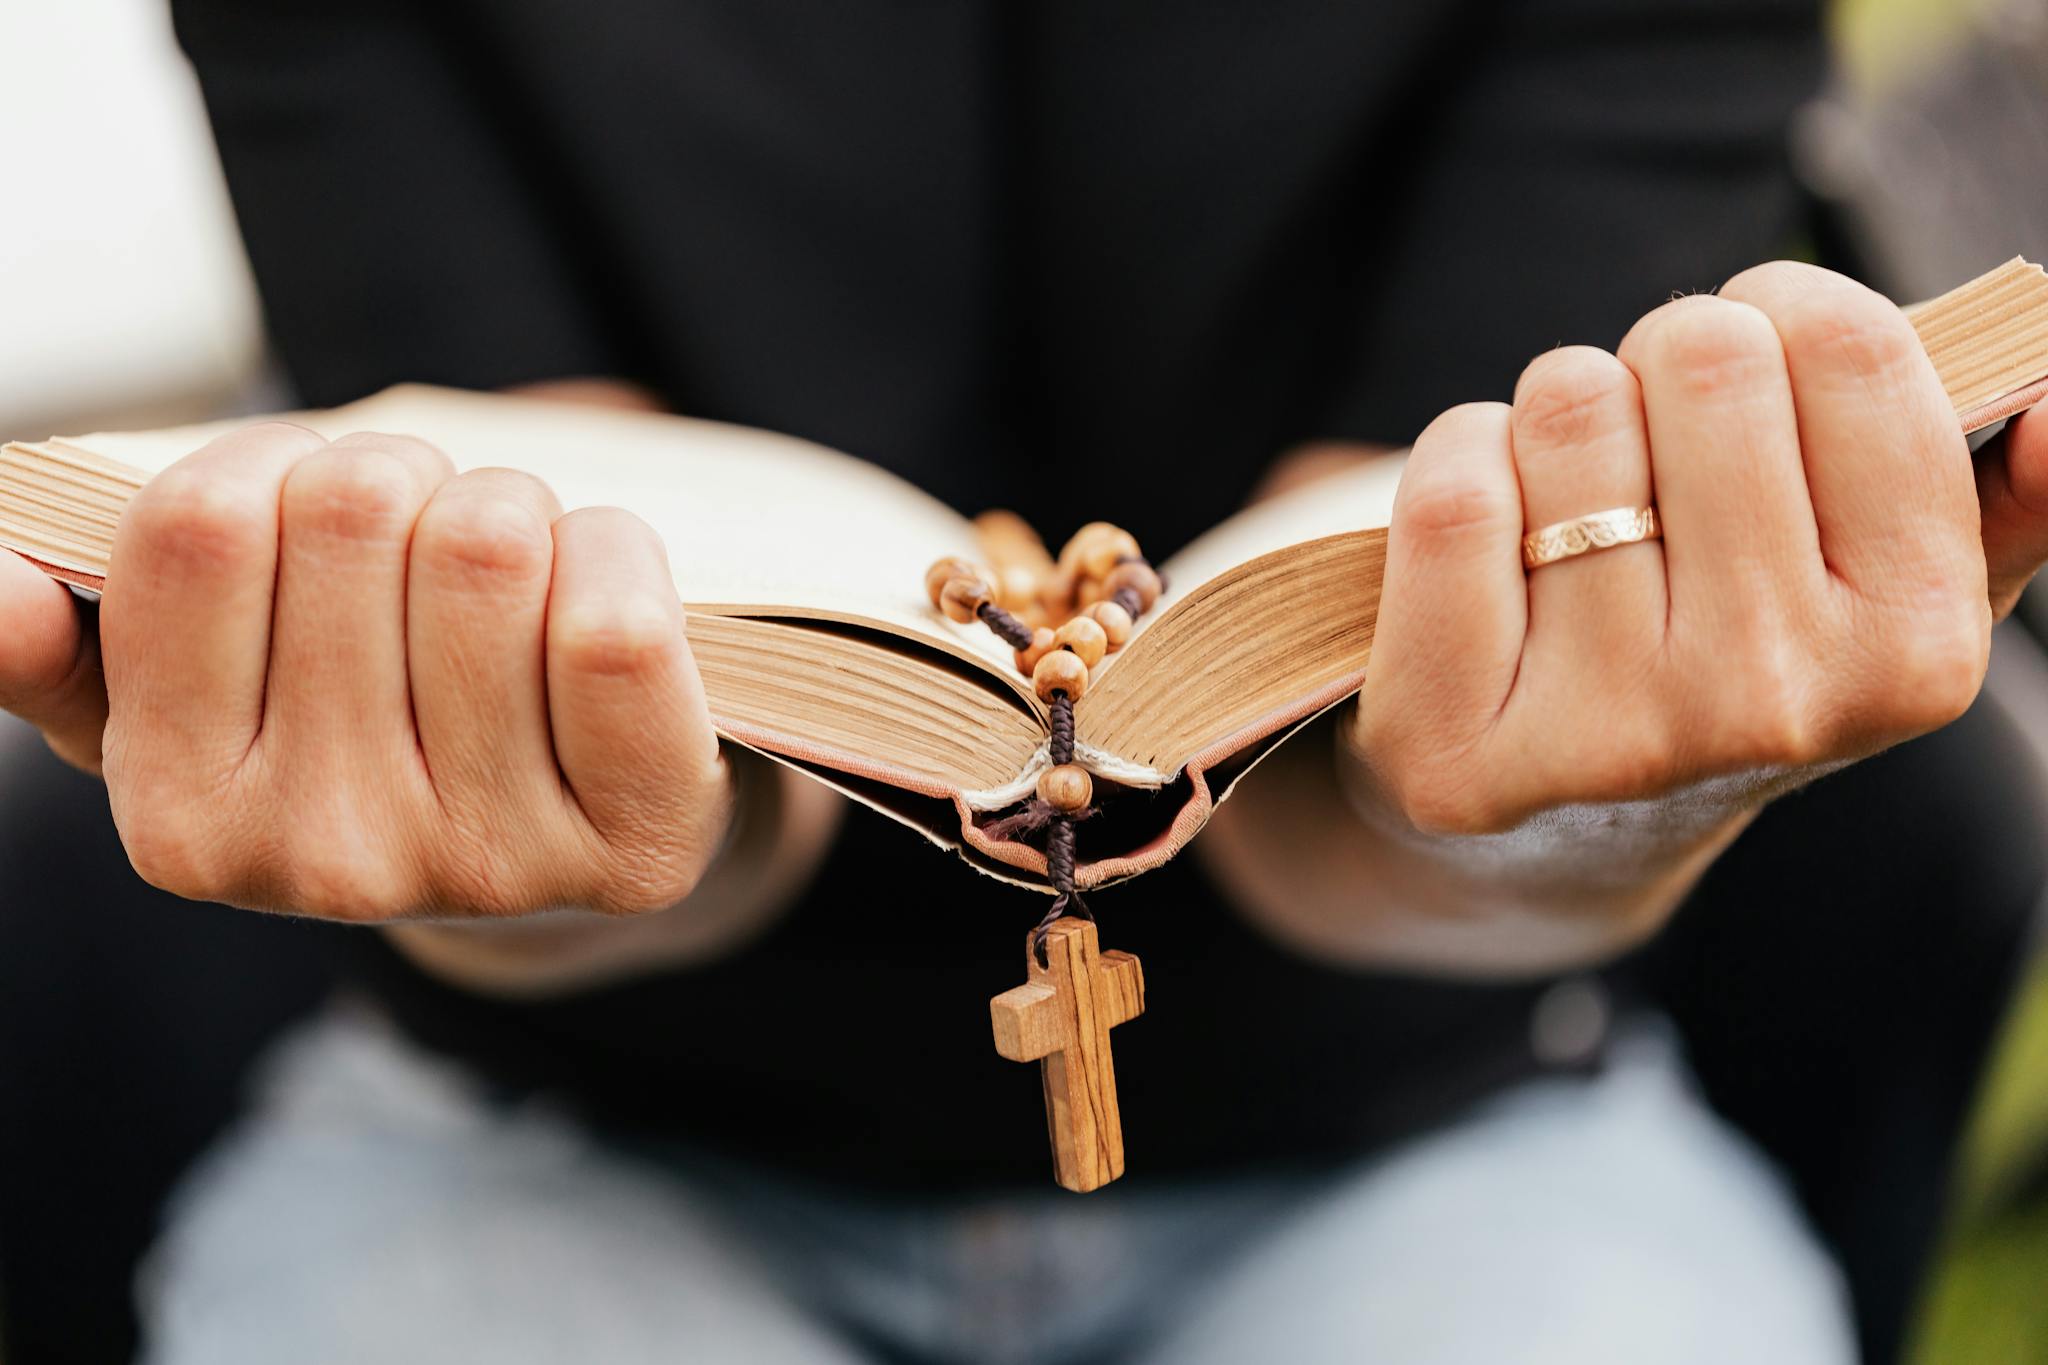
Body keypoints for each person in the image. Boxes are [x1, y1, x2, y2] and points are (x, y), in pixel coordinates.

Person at [3, 0, 2044, 1360]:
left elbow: (1413, 740)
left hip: (1433, 1115)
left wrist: (1569, 811)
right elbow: (601, 581)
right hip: (553, 1130)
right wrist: (535, 823)